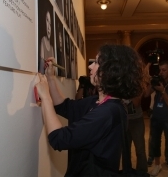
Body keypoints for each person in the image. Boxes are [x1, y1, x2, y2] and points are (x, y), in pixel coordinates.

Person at [35, 44, 145, 176]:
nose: (90, 66)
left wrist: (46, 97)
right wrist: (51, 79)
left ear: (111, 71)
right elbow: (64, 106)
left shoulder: (108, 112)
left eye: (97, 63)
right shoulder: (99, 102)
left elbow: (59, 139)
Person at [146, 61, 168, 177]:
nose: (161, 72)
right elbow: (145, 94)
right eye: (160, 70)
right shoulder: (158, 82)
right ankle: (157, 165)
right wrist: (151, 83)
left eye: (164, 70)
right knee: (155, 144)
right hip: (156, 118)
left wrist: (163, 90)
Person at [123, 94, 148, 176]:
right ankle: (126, 170)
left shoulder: (136, 86)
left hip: (136, 120)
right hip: (124, 120)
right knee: (125, 149)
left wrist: (129, 89)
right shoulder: (120, 85)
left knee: (140, 148)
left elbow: (136, 103)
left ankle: (142, 172)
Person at [39, 10, 54, 74]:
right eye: (47, 21)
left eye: (50, 24)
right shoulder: (43, 40)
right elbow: (41, 71)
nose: (48, 27)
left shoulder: (52, 48)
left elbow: (53, 73)